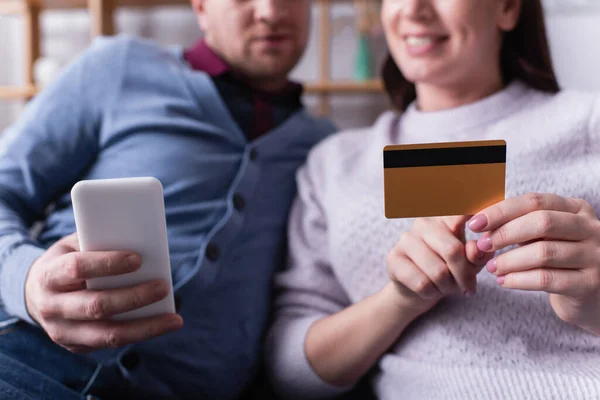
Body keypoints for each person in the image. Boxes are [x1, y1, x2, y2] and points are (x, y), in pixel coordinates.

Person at [265, 0, 600, 399]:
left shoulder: (590, 125)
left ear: (508, 8)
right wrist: (400, 301)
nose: (413, 9)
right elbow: (292, 372)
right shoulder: (335, 165)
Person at [0, 0, 334, 399]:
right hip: (27, 359)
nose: (270, 11)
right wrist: (26, 280)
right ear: (201, 7)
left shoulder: (327, 151)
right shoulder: (119, 68)